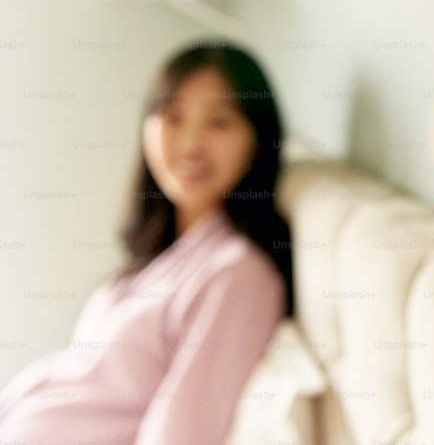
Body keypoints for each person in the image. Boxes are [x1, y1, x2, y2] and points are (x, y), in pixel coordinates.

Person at [0, 41, 294, 444]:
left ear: (257, 142)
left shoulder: (238, 275)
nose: (191, 142)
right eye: (172, 116)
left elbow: (182, 433)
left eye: (219, 122)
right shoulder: (165, 256)